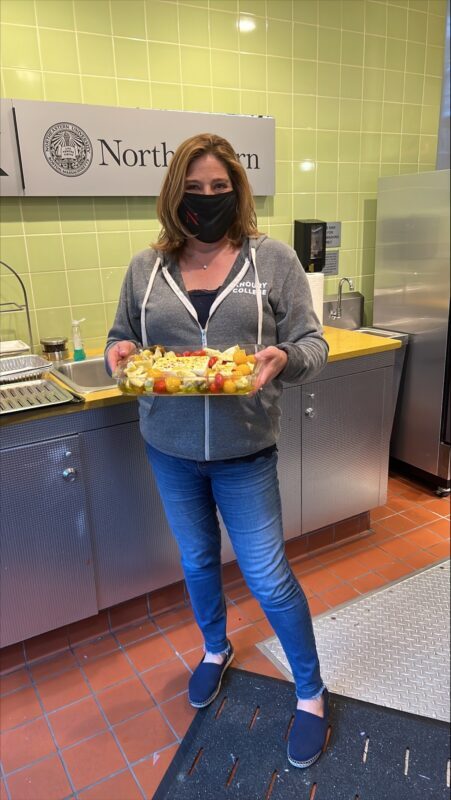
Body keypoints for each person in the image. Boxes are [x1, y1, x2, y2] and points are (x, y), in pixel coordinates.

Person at [105, 133, 330, 769]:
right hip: (170, 448)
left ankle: (310, 692)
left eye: (219, 189)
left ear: (237, 193)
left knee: (266, 576)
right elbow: (121, 339)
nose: (206, 201)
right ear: (175, 195)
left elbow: (313, 345)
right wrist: (116, 355)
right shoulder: (145, 270)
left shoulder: (273, 260)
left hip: (245, 450)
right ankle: (214, 649)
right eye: (195, 190)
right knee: (198, 560)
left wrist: (284, 358)